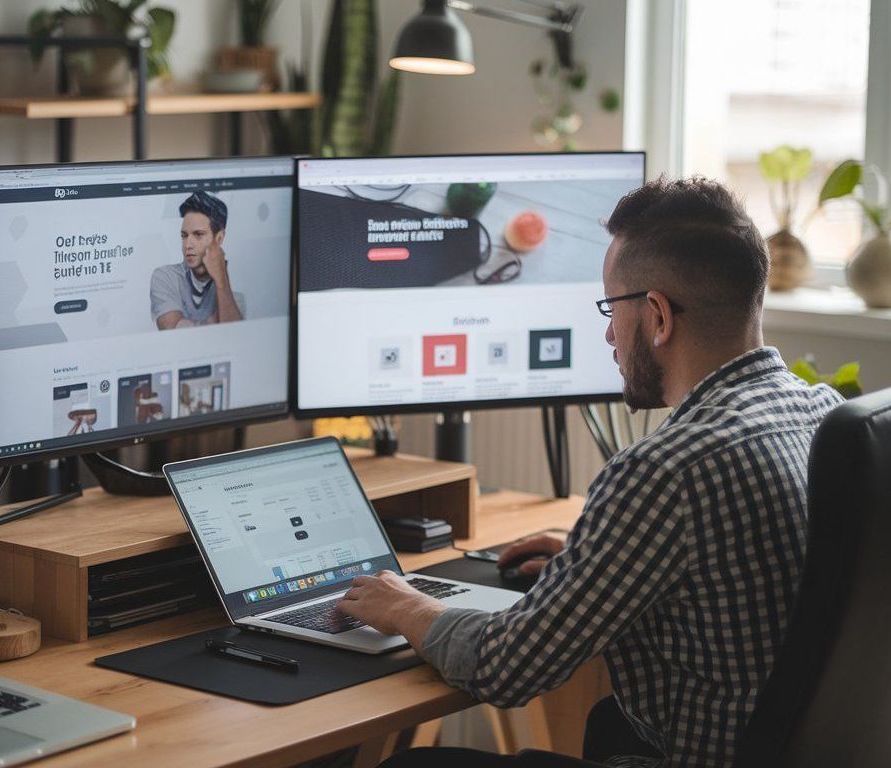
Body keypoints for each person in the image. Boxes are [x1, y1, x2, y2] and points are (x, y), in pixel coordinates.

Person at [338, 177, 845, 767]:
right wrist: (597, 561)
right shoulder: (825, 415)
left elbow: (508, 668)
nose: (608, 332)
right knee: (609, 721)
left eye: (613, 307)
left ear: (656, 315)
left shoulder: (664, 471)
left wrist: (404, 604)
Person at [151, 191, 245, 330]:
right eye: (184, 236)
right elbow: (173, 330)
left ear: (219, 238)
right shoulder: (165, 276)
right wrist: (214, 323)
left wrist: (221, 280)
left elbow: (234, 336)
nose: (187, 245)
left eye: (198, 235)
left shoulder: (239, 286)